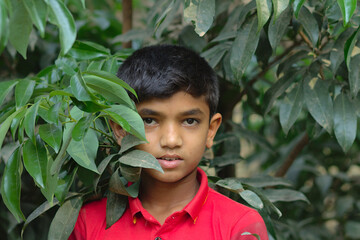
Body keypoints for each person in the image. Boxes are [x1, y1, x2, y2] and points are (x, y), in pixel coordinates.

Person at [69, 45, 269, 240]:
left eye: (190, 121)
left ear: (210, 130)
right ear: (121, 129)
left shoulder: (240, 226)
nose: (171, 140)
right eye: (149, 120)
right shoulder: (87, 221)